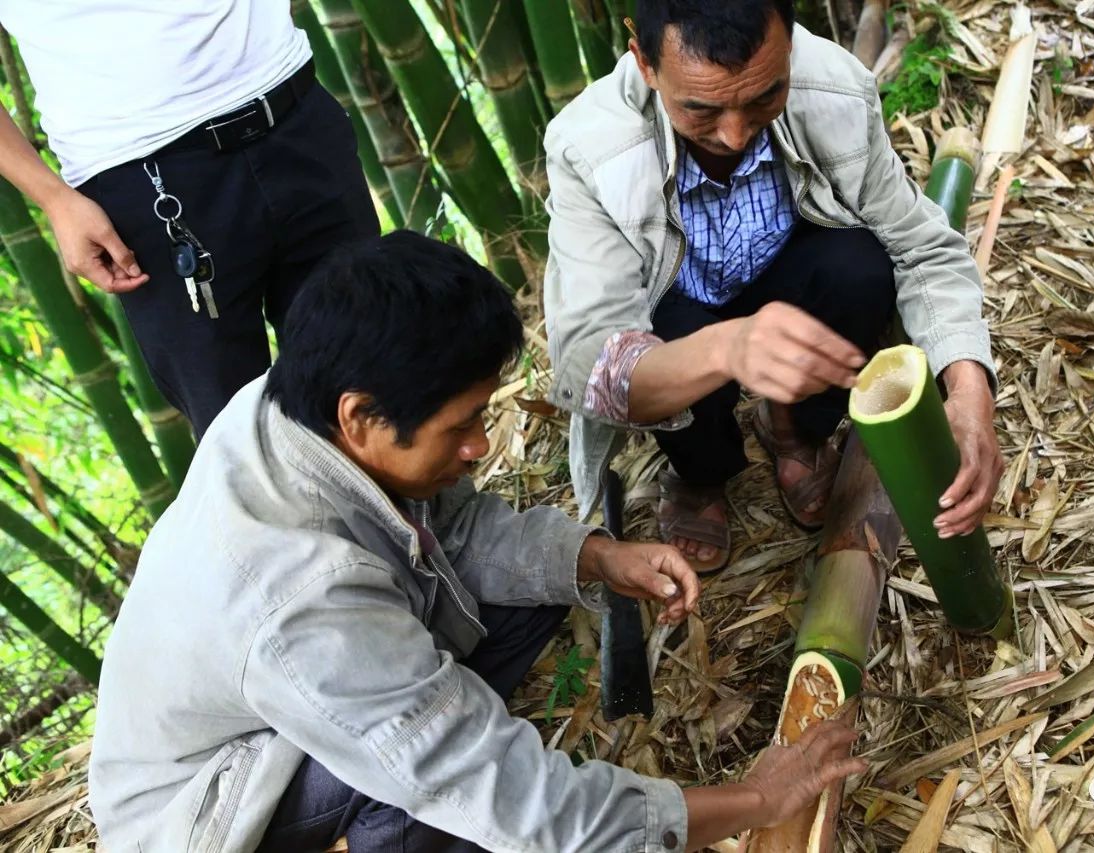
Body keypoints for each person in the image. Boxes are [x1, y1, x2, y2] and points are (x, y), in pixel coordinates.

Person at [87, 231, 868, 853]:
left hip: (318, 671)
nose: (480, 448)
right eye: (459, 426)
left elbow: (452, 528)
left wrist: (596, 557)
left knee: (532, 587)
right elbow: (499, 790)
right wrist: (754, 800)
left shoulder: (301, 399)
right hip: (213, 807)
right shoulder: (299, 601)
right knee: (427, 801)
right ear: (360, 418)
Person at [542, 0, 1002, 571]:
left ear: (789, 44)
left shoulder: (830, 85)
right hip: (683, 317)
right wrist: (728, 346)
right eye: (701, 109)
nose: (734, 135)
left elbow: (922, 243)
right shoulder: (589, 147)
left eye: (764, 96)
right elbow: (591, 366)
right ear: (644, 63)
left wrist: (968, 390)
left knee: (858, 265)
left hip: (784, 276)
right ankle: (700, 472)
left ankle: (796, 428)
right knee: (665, 337)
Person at [0, 0, 379, 437]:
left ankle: (427, 508)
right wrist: (54, 200)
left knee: (380, 374)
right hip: (144, 178)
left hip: (295, 109)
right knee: (238, 436)